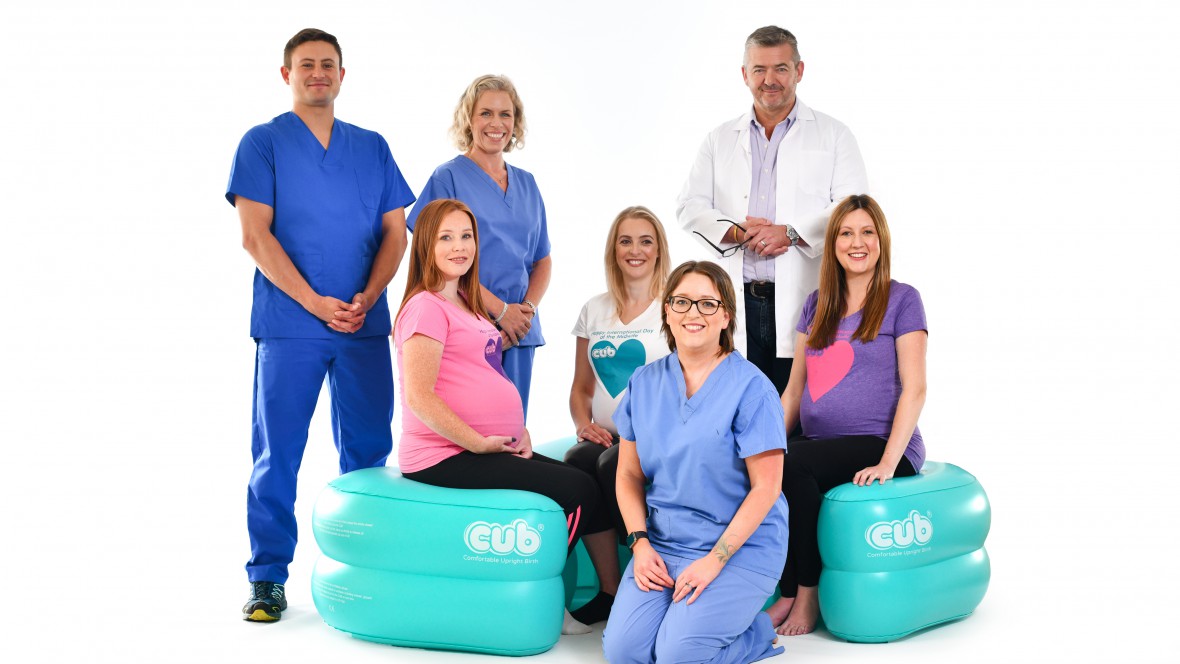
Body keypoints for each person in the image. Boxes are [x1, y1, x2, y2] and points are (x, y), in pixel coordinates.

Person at [226, 28, 414, 622]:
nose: (318, 73)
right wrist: (313, 302)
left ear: (342, 74)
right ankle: (267, 579)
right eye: (306, 64)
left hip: (361, 324)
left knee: (369, 454)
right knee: (277, 453)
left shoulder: (372, 147)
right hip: (290, 325)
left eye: (328, 64)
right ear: (287, 74)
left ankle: (367, 572)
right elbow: (254, 235)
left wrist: (369, 295)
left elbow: (396, 233)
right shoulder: (262, 144)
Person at [394, 198, 608, 636]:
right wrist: (477, 442)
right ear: (426, 246)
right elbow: (419, 397)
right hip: (444, 455)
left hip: (487, 446)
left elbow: (486, 374)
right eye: (446, 237)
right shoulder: (425, 307)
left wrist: (518, 429)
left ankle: (612, 595)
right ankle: (544, 599)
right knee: (575, 491)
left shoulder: (468, 303)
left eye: (466, 236)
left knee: (588, 480)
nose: (459, 246)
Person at [602, 261, 788, 663]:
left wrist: (714, 561)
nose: (693, 313)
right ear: (667, 311)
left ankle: (755, 635)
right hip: (664, 543)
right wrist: (639, 543)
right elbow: (629, 474)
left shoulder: (752, 388)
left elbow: (767, 488)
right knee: (622, 653)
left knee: (676, 657)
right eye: (682, 301)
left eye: (707, 303)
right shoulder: (644, 382)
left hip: (739, 548)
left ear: (726, 316)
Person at [764, 194, 928, 636]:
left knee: (793, 465)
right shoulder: (816, 304)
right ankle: (785, 590)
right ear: (833, 243)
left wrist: (888, 463)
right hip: (822, 443)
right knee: (770, 464)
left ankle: (806, 594)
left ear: (881, 240)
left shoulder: (902, 300)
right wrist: (764, 445)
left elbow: (915, 389)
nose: (857, 242)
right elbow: (794, 390)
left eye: (867, 232)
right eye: (846, 233)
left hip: (882, 443)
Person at [676, 25, 868, 397]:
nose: (769, 80)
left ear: (799, 71)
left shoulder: (834, 134)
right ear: (744, 74)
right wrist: (737, 232)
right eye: (759, 69)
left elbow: (854, 207)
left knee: (798, 410)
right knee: (739, 407)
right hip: (739, 300)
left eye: (781, 68)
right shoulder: (719, 139)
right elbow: (688, 205)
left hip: (804, 298)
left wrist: (791, 232)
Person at [406, 75, 550, 419]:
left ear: (515, 122)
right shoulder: (448, 179)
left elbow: (542, 259)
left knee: (513, 430)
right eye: (486, 113)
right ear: (468, 119)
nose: (496, 123)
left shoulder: (527, 184)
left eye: (505, 114)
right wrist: (500, 311)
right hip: (466, 326)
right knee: (470, 430)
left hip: (519, 333)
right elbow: (435, 259)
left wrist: (523, 314)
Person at [562, 206, 672, 625]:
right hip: (609, 433)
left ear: (659, 250)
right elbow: (581, 387)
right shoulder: (594, 309)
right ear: (613, 249)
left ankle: (642, 583)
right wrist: (582, 424)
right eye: (625, 241)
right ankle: (609, 589)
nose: (635, 250)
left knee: (612, 463)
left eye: (645, 241)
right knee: (577, 462)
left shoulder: (672, 307)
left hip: (656, 436)